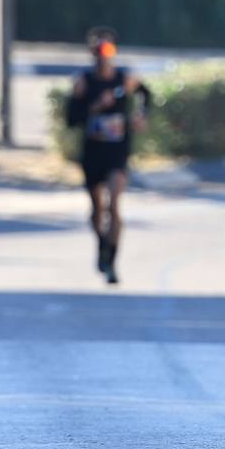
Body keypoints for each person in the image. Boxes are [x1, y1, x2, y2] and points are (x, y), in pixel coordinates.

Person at [65, 27, 150, 286]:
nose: (104, 55)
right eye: (99, 50)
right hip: (93, 152)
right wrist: (94, 107)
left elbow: (146, 94)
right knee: (96, 209)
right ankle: (102, 244)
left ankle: (111, 261)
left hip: (117, 151)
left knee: (114, 204)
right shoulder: (84, 83)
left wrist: (140, 115)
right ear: (92, 53)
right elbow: (71, 118)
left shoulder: (123, 79)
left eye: (109, 50)